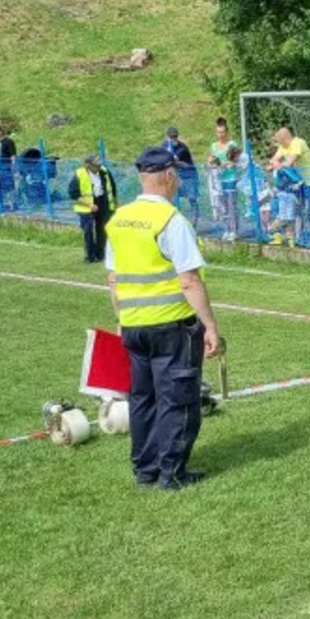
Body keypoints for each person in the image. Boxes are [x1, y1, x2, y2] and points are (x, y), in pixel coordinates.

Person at [104, 146, 221, 491]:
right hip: (171, 324)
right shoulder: (171, 220)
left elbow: (113, 278)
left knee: (143, 398)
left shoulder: (119, 219)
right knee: (177, 397)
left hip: (134, 324)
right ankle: (173, 472)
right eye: (177, 174)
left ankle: (146, 469)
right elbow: (189, 280)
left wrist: (121, 317)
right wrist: (210, 325)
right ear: (168, 176)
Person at [268, 126, 310, 249]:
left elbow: (289, 162)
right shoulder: (283, 146)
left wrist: (277, 165)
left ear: (285, 137)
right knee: (303, 211)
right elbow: (273, 160)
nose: (279, 144)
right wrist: (274, 164)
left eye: (279, 140)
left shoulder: (298, 143)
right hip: (305, 182)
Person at [68, 154, 118, 263]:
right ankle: (89, 256)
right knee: (88, 230)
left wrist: (115, 204)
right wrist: (89, 205)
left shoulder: (105, 172)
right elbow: (73, 194)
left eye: (99, 165)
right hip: (85, 207)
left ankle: (101, 254)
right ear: (88, 165)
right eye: (96, 166)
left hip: (102, 202)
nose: (98, 167)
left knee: (102, 229)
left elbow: (112, 189)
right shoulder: (79, 174)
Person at [208, 120, 240, 241]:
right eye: (218, 132)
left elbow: (237, 160)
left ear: (227, 132)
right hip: (218, 180)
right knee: (222, 206)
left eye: (222, 132)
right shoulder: (213, 146)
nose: (220, 135)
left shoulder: (232, 144)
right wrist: (211, 161)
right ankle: (227, 229)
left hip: (231, 178)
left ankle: (234, 230)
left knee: (231, 205)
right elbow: (211, 159)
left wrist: (228, 164)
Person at [163, 126, 200, 225]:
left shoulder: (182, 148)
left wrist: (168, 151)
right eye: (171, 137)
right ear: (167, 137)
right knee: (174, 201)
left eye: (175, 136)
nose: (174, 139)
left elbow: (172, 159)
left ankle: (195, 221)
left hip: (189, 175)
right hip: (176, 175)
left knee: (192, 198)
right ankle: (176, 222)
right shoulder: (165, 145)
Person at [269, 165, 303, 246]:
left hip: (283, 214)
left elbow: (276, 190)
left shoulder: (281, 174)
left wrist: (274, 190)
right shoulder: (292, 193)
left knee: (273, 227)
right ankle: (291, 241)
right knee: (289, 224)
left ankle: (278, 239)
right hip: (290, 213)